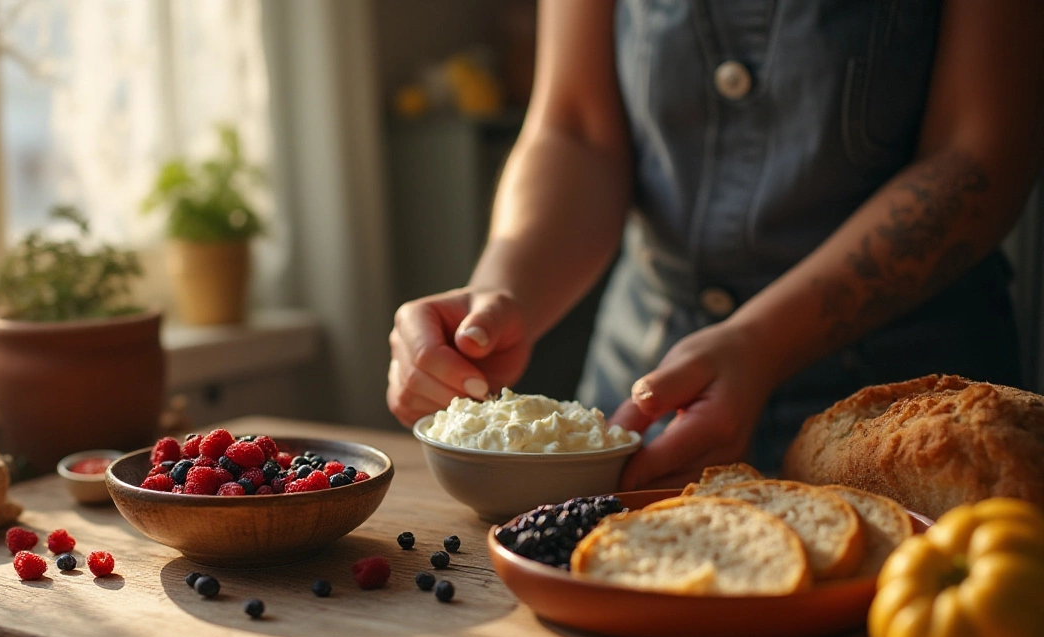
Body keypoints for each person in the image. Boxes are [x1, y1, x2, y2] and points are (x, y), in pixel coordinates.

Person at [386, 1, 1044, 489]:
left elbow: (980, 151)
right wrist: (501, 294)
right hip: (638, 404)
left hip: (914, 426)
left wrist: (762, 342)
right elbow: (577, 127)